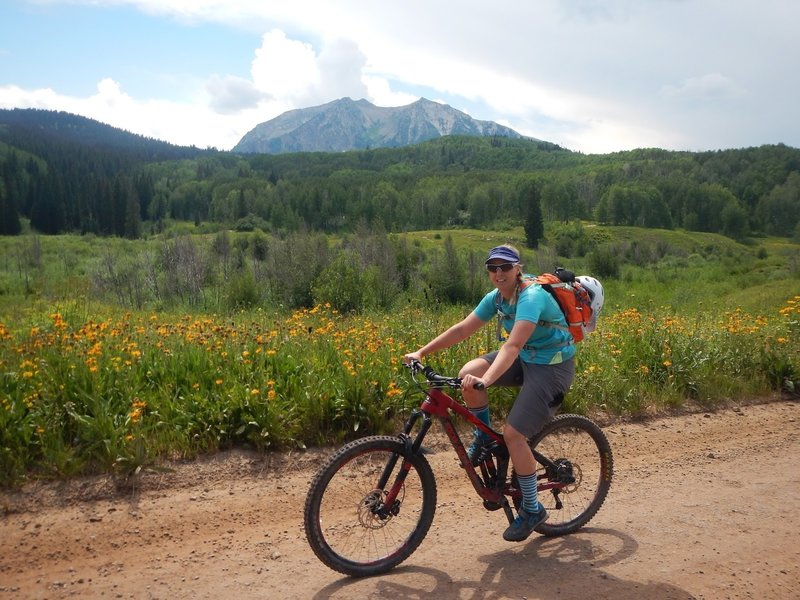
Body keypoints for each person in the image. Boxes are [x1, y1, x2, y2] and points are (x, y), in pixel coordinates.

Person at [403, 244, 576, 542]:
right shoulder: (497, 298)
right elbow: (462, 329)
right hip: (526, 358)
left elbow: (511, 347)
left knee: (513, 435)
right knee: (466, 372)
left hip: (552, 367)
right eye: (493, 268)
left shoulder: (531, 296)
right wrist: (421, 351)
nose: (498, 273)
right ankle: (483, 439)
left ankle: (533, 509)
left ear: (518, 268)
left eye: (505, 267)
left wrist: (487, 380)